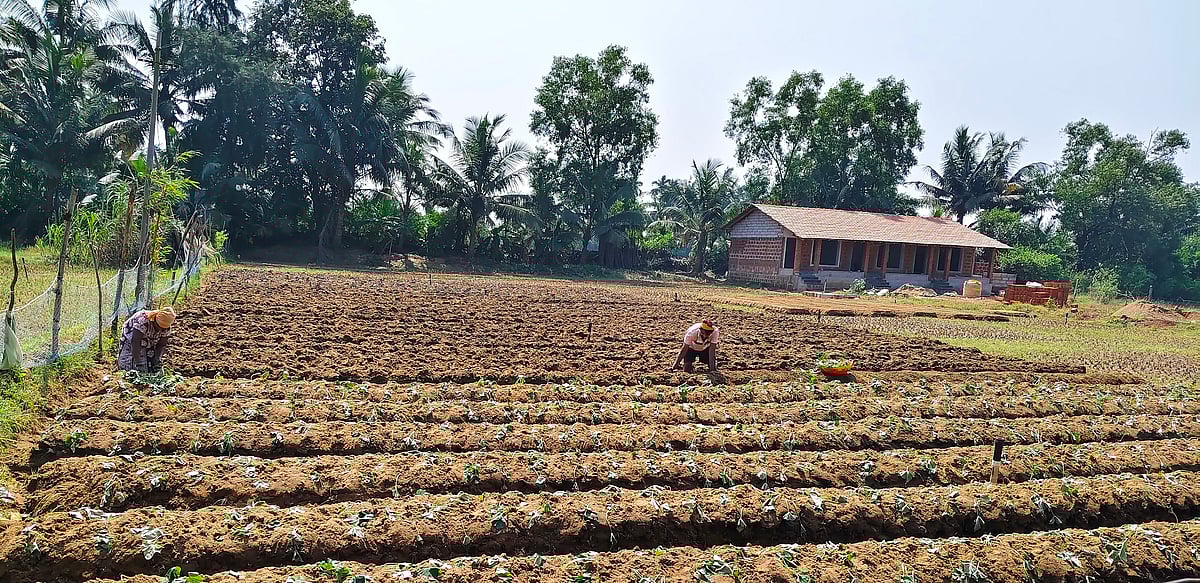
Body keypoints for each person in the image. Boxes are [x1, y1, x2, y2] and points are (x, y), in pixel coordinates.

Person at [118, 307, 176, 373]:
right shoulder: (142, 321)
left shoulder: (166, 328)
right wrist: (138, 362)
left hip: (149, 340)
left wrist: (157, 359)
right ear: (155, 321)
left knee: (148, 367)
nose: (160, 330)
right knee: (127, 365)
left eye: (163, 328)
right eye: (159, 327)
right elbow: (135, 342)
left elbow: (161, 344)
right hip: (132, 337)